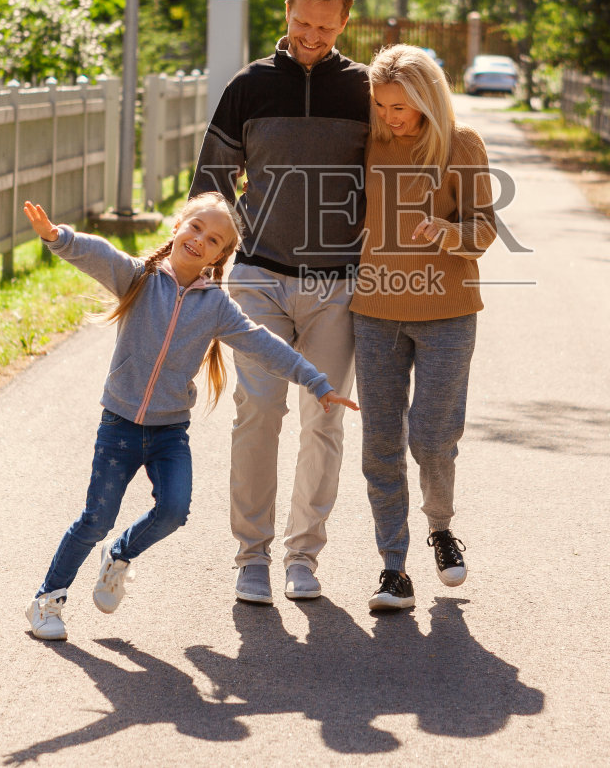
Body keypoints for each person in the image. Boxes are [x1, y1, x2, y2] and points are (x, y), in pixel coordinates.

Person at [22, 194, 358, 641]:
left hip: (168, 432)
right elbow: (99, 255)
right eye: (196, 227)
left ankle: (120, 556)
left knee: (174, 511)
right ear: (178, 227)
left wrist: (317, 382)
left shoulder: (216, 307)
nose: (201, 239)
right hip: (119, 426)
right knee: (95, 519)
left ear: (221, 256)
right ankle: (47, 600)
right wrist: (57, 237)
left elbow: (264, 344)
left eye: (214, 239)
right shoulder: (139, 279)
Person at [189, 0, 370, 605]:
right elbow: (211, 184)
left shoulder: (362, 92)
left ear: (345, 23)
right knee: (259, 413)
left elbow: (392, 173)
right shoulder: (249, 87)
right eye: (301, 23)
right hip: (260, 279)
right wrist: (198, 275)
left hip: (336, 287)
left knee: (325, 419)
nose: (311, 37)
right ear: (285, 12)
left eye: (325, 27)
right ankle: (251, 558)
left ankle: (304, 557)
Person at [350, 45, 497, 611]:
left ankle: (441, 527)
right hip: (375, 312)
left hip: (448, 313)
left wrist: (447, 232)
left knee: (433, 439)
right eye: (382, 105)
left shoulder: (462, 146)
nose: (390, 117)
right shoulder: (372, 143)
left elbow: (484, 230)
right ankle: (393, 568)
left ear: (428, 98)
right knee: (380, 445)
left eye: (402, 106)